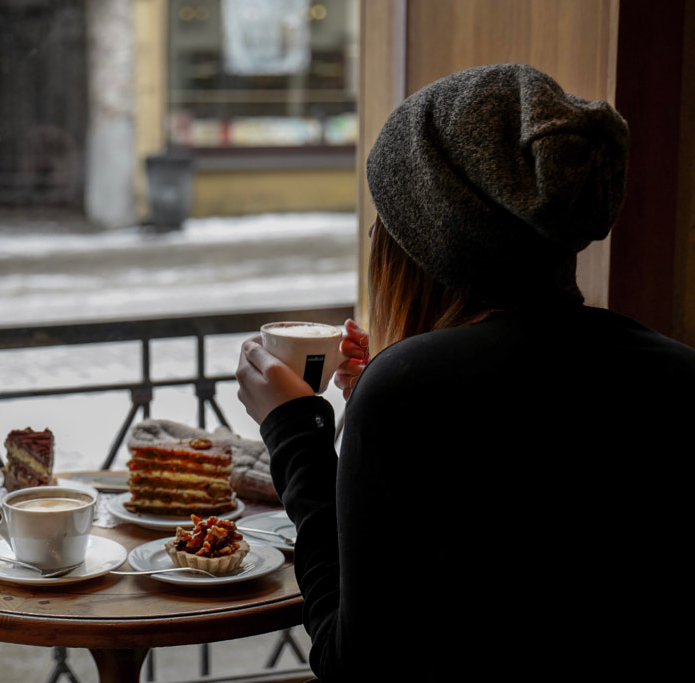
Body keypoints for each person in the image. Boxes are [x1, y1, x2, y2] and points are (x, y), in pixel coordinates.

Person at [236, 64, 695, 681]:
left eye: (388, 215)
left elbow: (353, 663)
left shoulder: (410, 391)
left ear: (426, 241)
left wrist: (294, 431)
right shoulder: (676, 371)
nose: (377, 232)